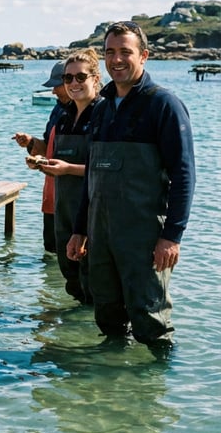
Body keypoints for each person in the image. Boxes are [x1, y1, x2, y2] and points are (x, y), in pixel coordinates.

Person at [67, 21, 195, 354]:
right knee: (107, 314)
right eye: (110, 52)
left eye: (126, 52)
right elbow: (93, 177)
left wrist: (172, 236)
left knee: (151, 321)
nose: (117, 60)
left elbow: (184, 175)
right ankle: (111, 390)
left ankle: (154, 391)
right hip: (102, 234)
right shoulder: (104, 108)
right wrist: (80, 230)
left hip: (143, 236)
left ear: (144, 56)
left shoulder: (163, 105)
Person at [35, 49, 101, 304]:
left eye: (80, 77)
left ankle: (94, 337)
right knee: (71, 278)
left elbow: (110, 172)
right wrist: (45, 163)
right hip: (63, 210)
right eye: (68, 79)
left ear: (95, 79)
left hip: (93, 214)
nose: (73, 84)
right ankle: (75, 334)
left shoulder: (104, 114)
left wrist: (68, 169)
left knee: (95, 283)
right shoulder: (63, 118)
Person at [13, 61, 70, 254]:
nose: (54, 91)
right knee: (52, 253)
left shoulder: (96, 111)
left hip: (74, 202)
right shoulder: (58, 109)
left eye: (57, 85)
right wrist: (30, 143)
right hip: (52, 198)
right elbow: (47, 150)